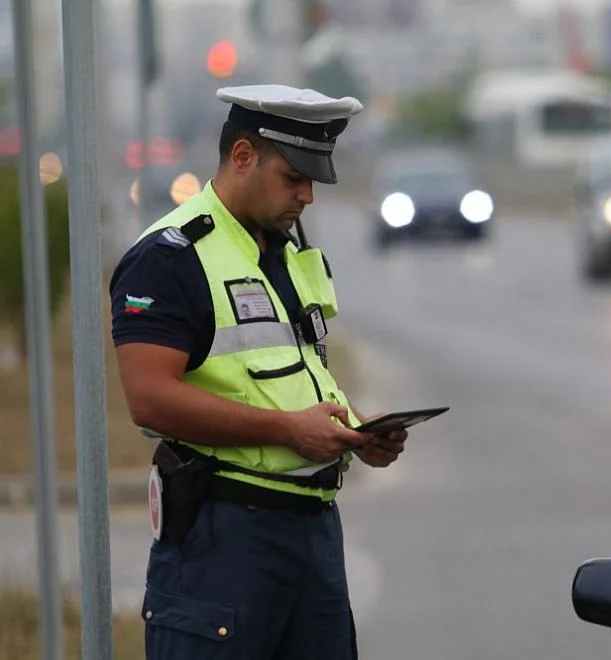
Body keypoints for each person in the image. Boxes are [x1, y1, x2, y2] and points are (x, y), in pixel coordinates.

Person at [108, 84, 407, 659]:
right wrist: (290, 431)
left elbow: (290, 372)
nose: (307, 196)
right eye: (293, 178)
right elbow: (149, 400)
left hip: (313, 531)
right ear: (242, 156)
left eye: (313, 182)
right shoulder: (171, 256)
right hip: (225, 536)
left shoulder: (286, 250)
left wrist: (357, 433)